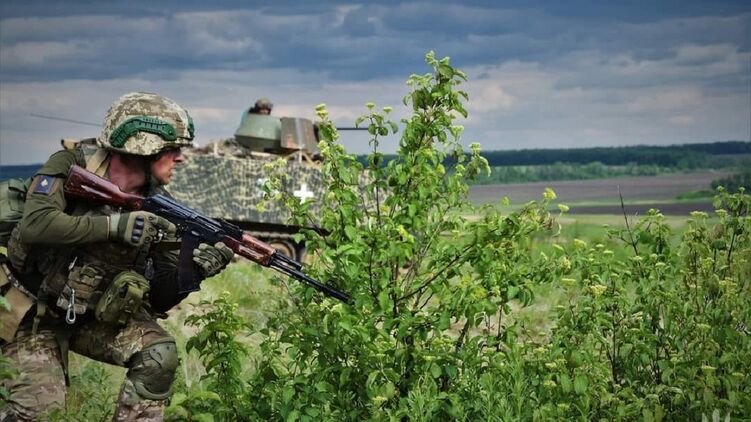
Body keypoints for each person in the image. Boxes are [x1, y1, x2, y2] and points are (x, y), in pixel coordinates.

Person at [0, 92, 235, 421]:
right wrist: (113, 226)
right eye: (172, 150)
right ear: (144, 147)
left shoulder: (161, 207)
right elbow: (35, 225)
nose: (181, 158)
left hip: (88, 318)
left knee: (159, 353)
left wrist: (193, 271)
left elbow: (160, 299)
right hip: (27, 313)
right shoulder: (71, 165)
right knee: (43, 412)